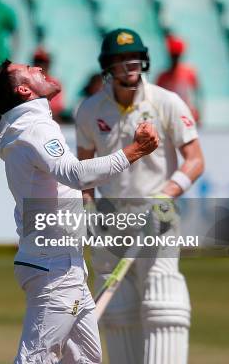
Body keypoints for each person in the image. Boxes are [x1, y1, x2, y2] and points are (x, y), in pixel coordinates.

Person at [0, 59, 159, 363]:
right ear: (25, 90)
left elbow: (64, 191)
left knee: (85, 360)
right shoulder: (36, 127)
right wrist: (137, 151)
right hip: (54, 269)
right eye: (29, 70)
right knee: (35, 359)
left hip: (62, 265)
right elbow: (76, 175)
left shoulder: (27, 128)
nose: (38, 68)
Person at [76, 28, 205, 364]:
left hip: (156, 212)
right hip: (110, 218)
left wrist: (168, 192)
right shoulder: (90, 110)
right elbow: (84, 172)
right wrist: (89, 209)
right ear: (108, 67)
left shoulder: (165, 101)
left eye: (134, 59)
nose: (129, 66)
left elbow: (195, 160)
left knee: (164, 301)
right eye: (120, 61)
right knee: (118, 312)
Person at [156, 34, 200, 124]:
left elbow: (197, 96)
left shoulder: (189, 73)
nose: (175, 59)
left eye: (176, 56)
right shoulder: (162, 77)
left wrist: (198, 113)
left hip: (187, 118)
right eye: (173, 56)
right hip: (169, 119)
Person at [32, 46, 65, 123]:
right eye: (37, 61)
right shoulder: (26, 82)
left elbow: (57, 109)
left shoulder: (55, 83)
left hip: (48, 121)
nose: (40, 64)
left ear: (48, 64)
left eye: (43, 61)